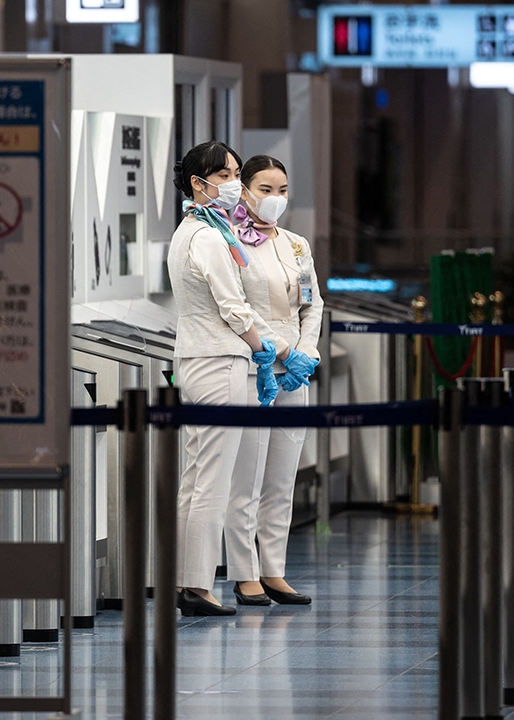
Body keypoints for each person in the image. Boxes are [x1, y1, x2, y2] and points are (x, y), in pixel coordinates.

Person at [168, 141, 290, 617]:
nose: (233, 184)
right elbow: (233, 307)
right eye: (223, 175)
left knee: (198, 476)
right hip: (218, 360)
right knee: (211, 479)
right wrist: (270, 348)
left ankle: (188, 580)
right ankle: (196, 586)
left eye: (236, 173)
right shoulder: (206, 235)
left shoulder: (202, 229)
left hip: (206, 358)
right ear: (198, 184)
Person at [225, 155, 323, 606]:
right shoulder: (229, 241)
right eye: (265, 189)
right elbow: (236, 309)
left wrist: (305, 353)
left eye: (282, 190)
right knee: (247, 477)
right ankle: (245, 575)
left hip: (294, 370)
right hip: (252, 366)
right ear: (244, 189)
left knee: (283, 477)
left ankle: (275, 570)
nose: (275, 199)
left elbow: (312, 304)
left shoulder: (296, 245)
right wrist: (276, 351)